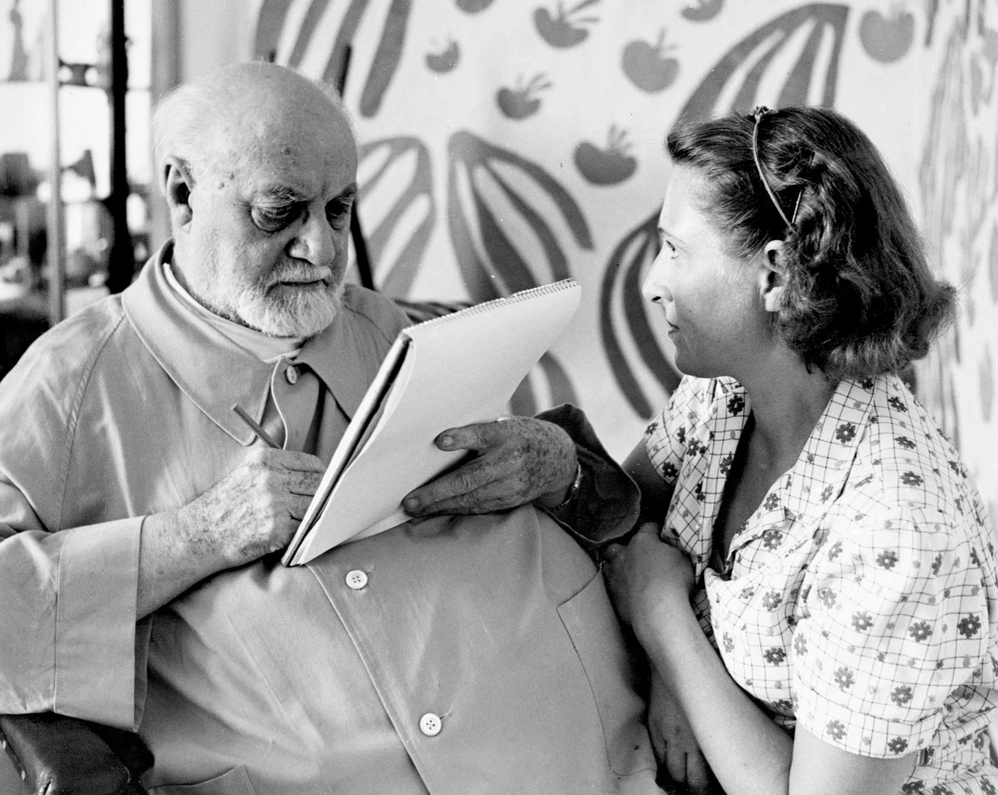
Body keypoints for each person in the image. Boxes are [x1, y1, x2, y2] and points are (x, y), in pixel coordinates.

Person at [0, 62, 659, 795]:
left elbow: (603, 505)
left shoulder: (391, 329)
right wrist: (196, 536)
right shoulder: (68, 386)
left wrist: (556, 462)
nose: (320, 250)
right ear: (182, 194)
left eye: (340, 209)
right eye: (278, 212)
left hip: (594, 760)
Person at [406, 106, 998, 795]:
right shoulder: (724, 397)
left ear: (775, 276)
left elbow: (649, 579)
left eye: (674, 250)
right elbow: (625, 523)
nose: (651, 282)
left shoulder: (895, 529)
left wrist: (664, 620)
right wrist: (557, 462)